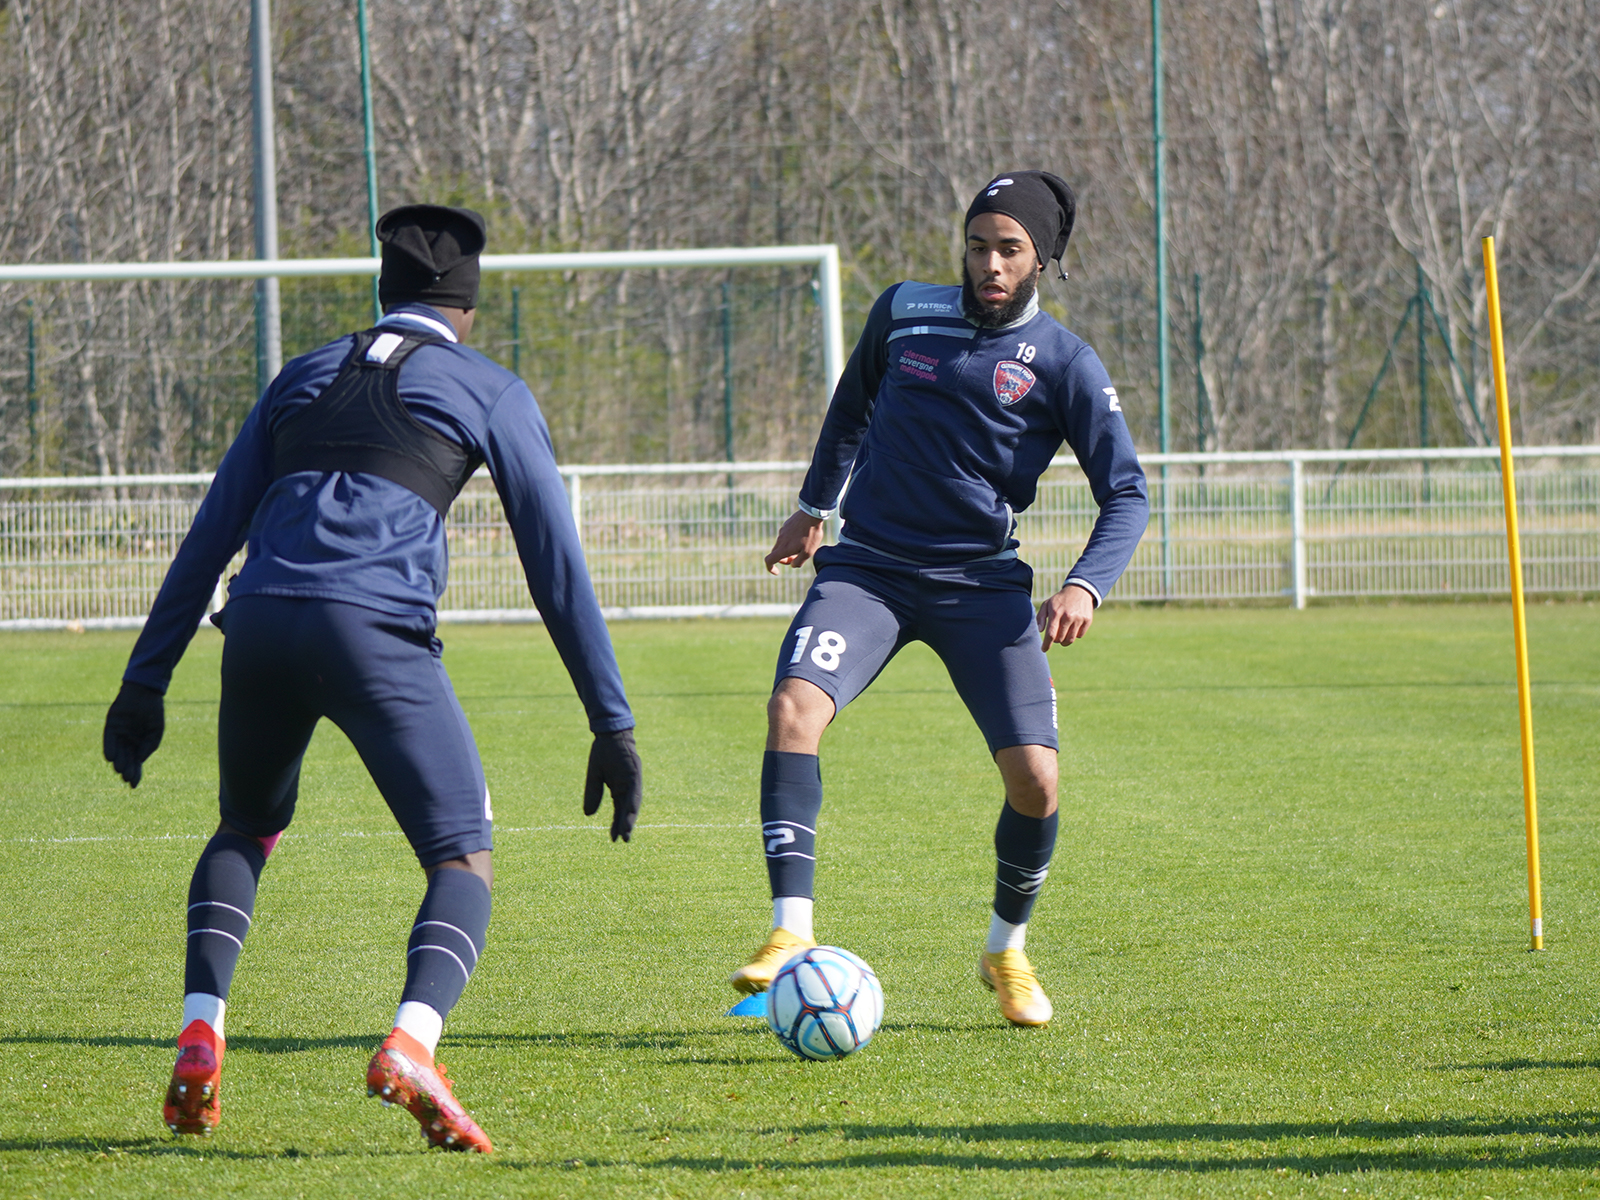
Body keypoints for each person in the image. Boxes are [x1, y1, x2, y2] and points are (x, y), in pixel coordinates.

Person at [101, 204, 642, 1151]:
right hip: (374, 631)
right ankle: (412, 1045)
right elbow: (554, 567)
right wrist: (612, 721)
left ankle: (200, 1032)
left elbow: (211, 533)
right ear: (467, 306)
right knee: (461, 858)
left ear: (383, 290)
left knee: (245, 827)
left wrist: (144, 681)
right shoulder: (489, 387)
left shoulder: (301, 373)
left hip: (258, 622)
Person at [728, 171, 1148, 1027]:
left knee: (1036, 780)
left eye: (1010, 250)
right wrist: (812, 509)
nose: (990, 264)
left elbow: (1127, 492)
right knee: (793, 709)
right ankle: (789, 932)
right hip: (869, 571)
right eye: (978, 245)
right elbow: (850, 409)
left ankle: (1006, 949)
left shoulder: (1065, 362)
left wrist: (1085, 584)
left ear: (1041, 260)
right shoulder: (902, 311)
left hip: (981, 586)